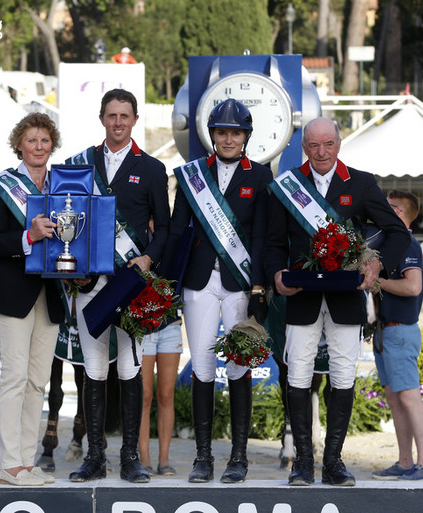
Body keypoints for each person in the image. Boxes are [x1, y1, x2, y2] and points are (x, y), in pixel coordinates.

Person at [265, 117, 410, 487]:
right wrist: (276, 275)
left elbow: (396, 232)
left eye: (328, 144)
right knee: (297, 373)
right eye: (313, 146)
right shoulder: (287, 186)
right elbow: (272, 243)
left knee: (343, 375)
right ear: (305, 148)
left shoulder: (360, 183)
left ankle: (333, 462)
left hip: (346, 297)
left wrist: (379, 263)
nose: (321, 152)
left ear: (339, 144)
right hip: (301, 296)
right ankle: (302, 462)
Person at [163, 98, 272, 484]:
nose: (228, 139)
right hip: (198, 283)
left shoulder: (260, 176)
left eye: (235, 133)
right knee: (204, 367)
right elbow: (177, 231)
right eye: (222, 132)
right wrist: (169, 284)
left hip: (239, 282)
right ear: (212, 135)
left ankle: (238, 457)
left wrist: (259, 284)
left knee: (240, 365)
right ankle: (203, 457)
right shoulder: (192, 175)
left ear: (246, 137)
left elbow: (261, 234)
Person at [65, 88, 170, 484]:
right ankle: (95, 456)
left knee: (128, 368)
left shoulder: (153, 169)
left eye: (125, 116)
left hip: (131, 283)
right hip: (90, 279)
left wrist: (148, 259)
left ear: (135, 120)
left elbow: (167, 228)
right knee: (93, 369)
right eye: (112, 115)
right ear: (102, 118)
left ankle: (130, 457)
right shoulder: (80, 164)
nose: (118, 122)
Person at [0, 112, 66, 487]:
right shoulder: (1, 187)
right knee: (14, 379)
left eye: (45, 141)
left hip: (49, 294)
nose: (38, 147)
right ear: (19, 144)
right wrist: (27, 237)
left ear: (52, 145)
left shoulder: (63, 186)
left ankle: (28, 462)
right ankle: (8, 465)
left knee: (37, 382)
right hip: (12, 292)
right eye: (31, 141)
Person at [370, 190, 423, 482]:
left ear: (402, 214)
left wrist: (377, 281)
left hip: (399, 330)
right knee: (396, 400)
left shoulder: (407, 243)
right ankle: (406, 461)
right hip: (387, 332)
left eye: (392, 208)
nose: (385, 212)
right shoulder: (388, 244)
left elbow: (412, 287)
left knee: (408, 397)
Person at [138, 320, 183, 476]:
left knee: (166, 395)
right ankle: (144, 459)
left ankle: (164, 460)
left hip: (171, 325)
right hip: (143, 326)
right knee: (144, 395)